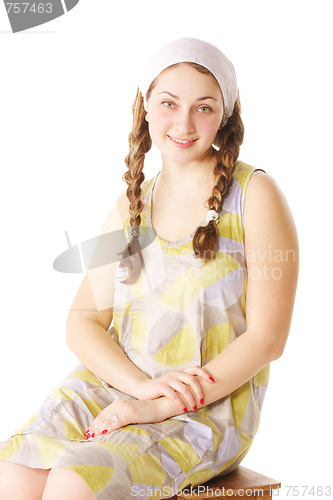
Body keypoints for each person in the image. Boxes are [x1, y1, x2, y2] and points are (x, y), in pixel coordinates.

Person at [0, 37, 299, 500]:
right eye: (168, 103)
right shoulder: (131, 206)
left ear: (226, 113)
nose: (183, 122)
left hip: (204, 409)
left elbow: (268, 339)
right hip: (122, 383)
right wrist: (139, 388)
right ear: (144, 107)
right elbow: (82, 320)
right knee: (13, 474)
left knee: (75, 482)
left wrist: (157, 404)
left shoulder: (255, 196)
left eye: (203, 107)